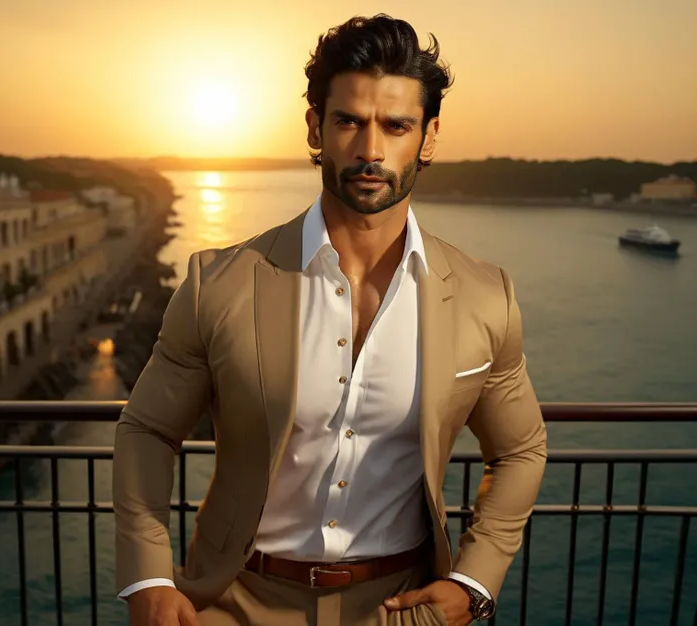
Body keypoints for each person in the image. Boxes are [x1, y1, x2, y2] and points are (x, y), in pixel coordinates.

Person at [112, 13, 547, 626]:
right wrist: (149, 577)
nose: (371, 150)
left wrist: (473, 581)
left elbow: (522, 448)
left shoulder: (483, 296)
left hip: (402, 607)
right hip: (233, 602)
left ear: (428, 137)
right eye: (349, 121)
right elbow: (148, 429)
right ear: (316, 127)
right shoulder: (221, 282)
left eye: (396, 126)